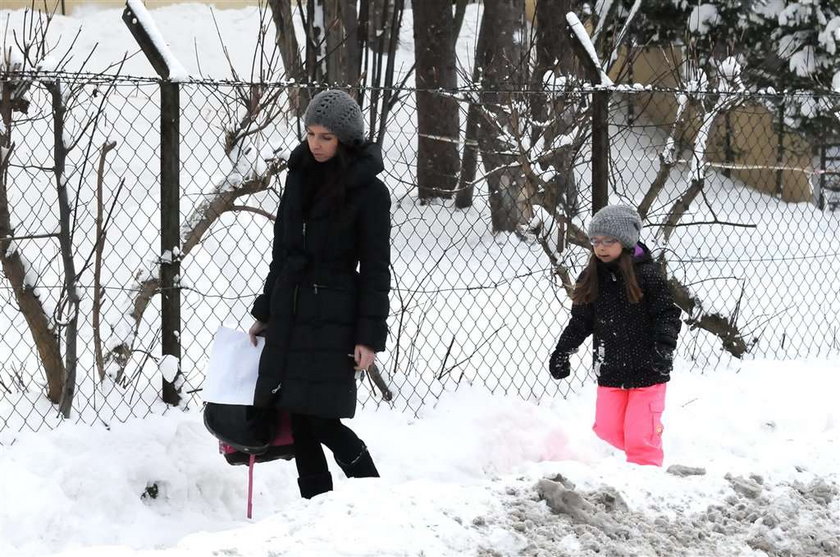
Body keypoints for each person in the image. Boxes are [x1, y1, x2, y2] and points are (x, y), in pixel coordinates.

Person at [247, 89, 390, 498]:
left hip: (334, 317)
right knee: (297, 416)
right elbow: (282, 252)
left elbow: (376, 269)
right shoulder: (298, 176)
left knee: (323, 418)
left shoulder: (369, 192)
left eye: (326, 136)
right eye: (310, 133)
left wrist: (368, 337)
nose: (315, 143)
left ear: (346, 139)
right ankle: (317, 509)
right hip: (291, 312)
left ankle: (376, 497)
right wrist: (267, 311)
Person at [549, 205, 681, 466]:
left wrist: (663, 348)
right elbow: (581, 322)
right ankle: (642, 437)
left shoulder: (648, 275)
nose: (601, 247)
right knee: (607, 430)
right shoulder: (590, 277)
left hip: (648, 370)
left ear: (626, 241)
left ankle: (647, 481)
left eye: (609, 240)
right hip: (610, 368)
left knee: (640, 440)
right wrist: (563, 351)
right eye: (596, 241)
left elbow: (667, 314)